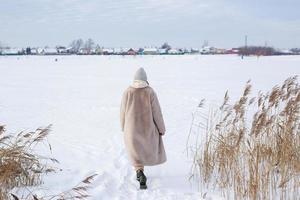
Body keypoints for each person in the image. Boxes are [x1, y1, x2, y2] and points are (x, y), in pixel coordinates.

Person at [120, 67, 166, 189]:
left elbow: (122, 111)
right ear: (146, 79)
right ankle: (140, 172)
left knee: (135, 152)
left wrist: (123, 126)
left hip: (131, 129)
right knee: (144, 149)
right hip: (147, 128)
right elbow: (157, 112)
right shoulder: (150, 92)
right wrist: (161, 129)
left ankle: (139, 172)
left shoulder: (127, 92)